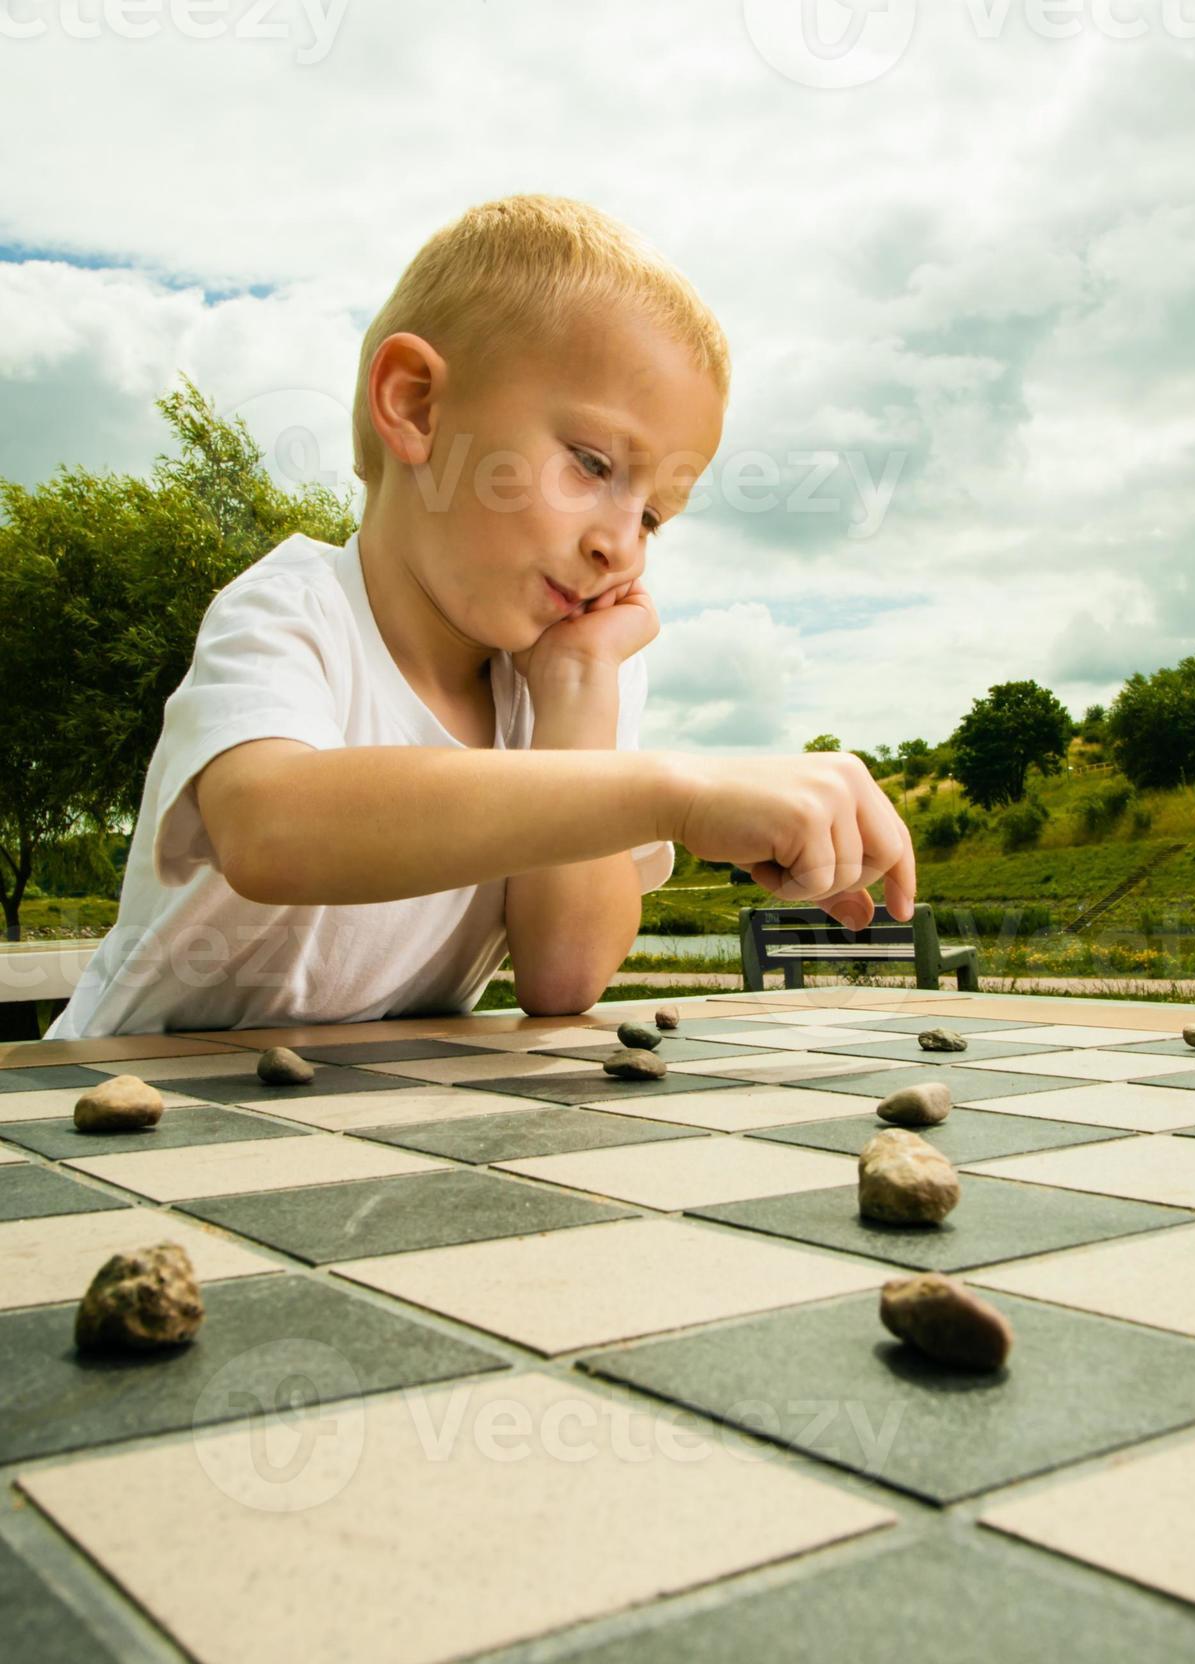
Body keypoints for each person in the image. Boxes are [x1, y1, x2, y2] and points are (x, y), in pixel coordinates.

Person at [47, 194, 913, 1038]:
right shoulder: (294, 605)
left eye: (652, 517)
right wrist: (675, 793)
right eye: (590, 463)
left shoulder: (573, 668)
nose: (625, 548)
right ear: (417, 405)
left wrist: (577, 691)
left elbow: (562, 975)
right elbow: (269, 830)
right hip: (119, 1113)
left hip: (361, 1118)